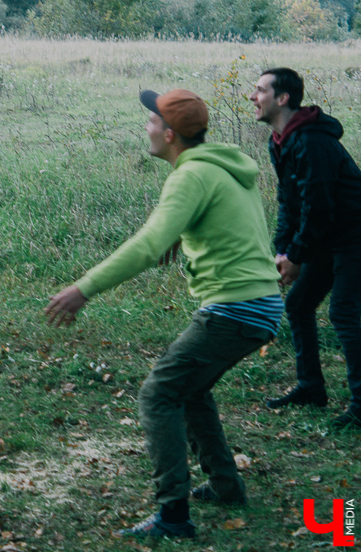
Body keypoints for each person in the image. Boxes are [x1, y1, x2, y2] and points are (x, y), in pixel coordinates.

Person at [46, 89, 282, 539]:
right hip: (259, 302)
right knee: (190, 390)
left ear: (170, 133)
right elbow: (224, 223)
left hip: (236, 307)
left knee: (159, 395)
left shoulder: (190, 177)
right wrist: (188, 230)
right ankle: (225, 485)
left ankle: (173, 516)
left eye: (151, 121)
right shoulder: (221, 167)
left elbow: (146, 244)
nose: (147, 128)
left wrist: (84, 288)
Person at [249, 68, 361, 429]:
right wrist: (283, 250)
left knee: (344, 314)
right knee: (298, 305)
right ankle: (311, 388)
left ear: (282, 99)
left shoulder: (311, 141)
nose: (253, 97)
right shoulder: (281, 139)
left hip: (353, 236)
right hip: (328, 235)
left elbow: (319, 208)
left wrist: (297, 256)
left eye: (260, 90)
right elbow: (289, 201)